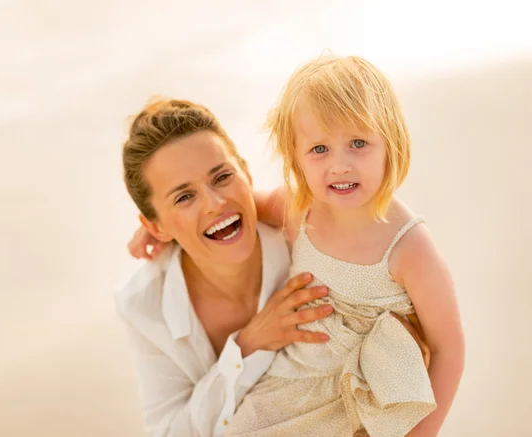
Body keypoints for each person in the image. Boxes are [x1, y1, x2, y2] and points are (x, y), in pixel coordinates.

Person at [117, 97, 429, 437]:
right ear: (155, 227)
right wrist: (248, 346)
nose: (215, 204)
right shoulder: (144, 303)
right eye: (184, 197)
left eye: (222, 177)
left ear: (247, 174)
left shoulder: (309, 241)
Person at [222, 55, 465, 437]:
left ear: (391, 144)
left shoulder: (408, 247)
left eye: (358, 143)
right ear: (296, 158)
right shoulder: (296, 209)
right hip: (290, 386)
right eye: (319, 149)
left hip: (370, 400)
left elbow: (449, 351)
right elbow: (231, 207)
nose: (339, 165)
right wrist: (161, 229)